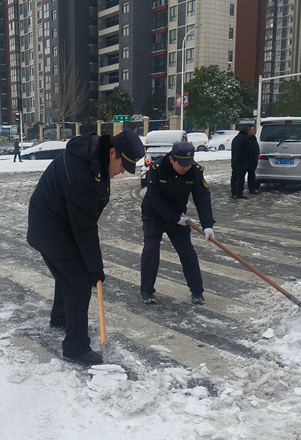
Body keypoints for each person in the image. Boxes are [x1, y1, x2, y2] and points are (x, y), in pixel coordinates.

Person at [27, 129, 145, 365]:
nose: (123, 171)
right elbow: (84, 228)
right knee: (78, 281)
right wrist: (95, 269)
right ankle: (76, 347)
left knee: (71, 273)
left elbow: (86, 218)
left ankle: (61, 318)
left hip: (62, 221)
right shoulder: (81, 172)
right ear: (112, 153)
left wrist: (89, 262)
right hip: (50, 226)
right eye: (123, 165)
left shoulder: (95, 160)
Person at [140, 141, 215, 306]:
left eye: (189, 163)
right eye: (182, 164)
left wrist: (207, 224)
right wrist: (174, 218)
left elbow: (202, 196)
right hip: (154, 215)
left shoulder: (194, 171)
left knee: (187, 252)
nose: (186, 168)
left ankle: (197, 291)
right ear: (172, 159)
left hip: (178, 217)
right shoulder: (156, 169)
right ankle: (146, 290)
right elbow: (155, 197)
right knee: (151, 250)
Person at [230, 125, 255, 199]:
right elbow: (249, 150)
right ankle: (239, 193)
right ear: (247, 131)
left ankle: (233, 191)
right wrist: (250, 155)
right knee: (240, 177)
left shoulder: (236, 138)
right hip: (242, 160)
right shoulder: (245, 138)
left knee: (234, 176)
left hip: (234, 159)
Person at [247, 127, 260, 195]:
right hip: (248, 159)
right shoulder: (246, 138)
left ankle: (252, 188)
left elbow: (256, 147)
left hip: (253, 159)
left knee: (252, 175)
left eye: (254, 129)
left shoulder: (254, 138)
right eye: (252, 130)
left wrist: (257, 153)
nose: (254, 131)